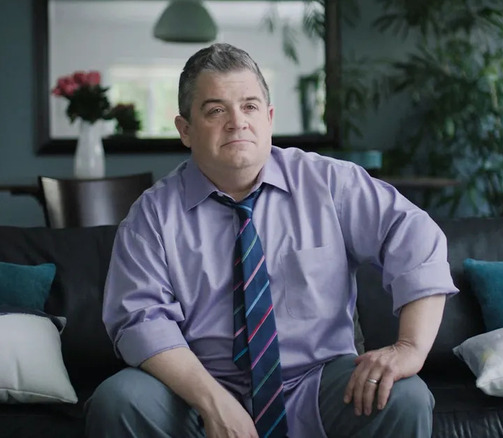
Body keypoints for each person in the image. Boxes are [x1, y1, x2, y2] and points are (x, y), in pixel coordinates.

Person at [85, 43, 458, 438]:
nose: (237, 122)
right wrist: (212, 401)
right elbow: (140, 318)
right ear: (185, 130)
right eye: (215, 110)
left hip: (318, 384)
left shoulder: (330, 183)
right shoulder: (152, 215)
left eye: (249, 106)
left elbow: (415, 236)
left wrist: (410, 349)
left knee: (405, 396)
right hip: (197, 389)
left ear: (269, 117)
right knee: (119, 399)